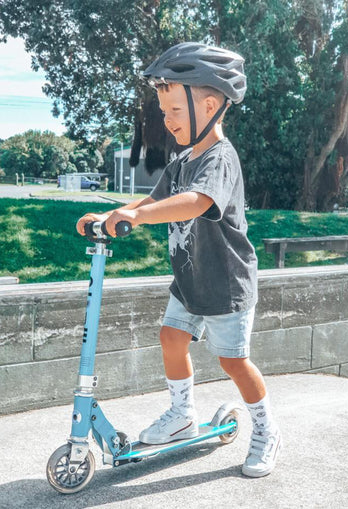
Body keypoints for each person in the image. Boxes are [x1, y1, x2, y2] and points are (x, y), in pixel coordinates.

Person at [76, 42, 281, 477]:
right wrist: (115, 213)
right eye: (164, 112)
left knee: (233, 361)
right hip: (190, 279)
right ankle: (182, 414)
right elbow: (154, 198)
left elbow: (194, 202)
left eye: (174, 111)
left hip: (226, 282)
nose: (167, 122)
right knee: (170, 336)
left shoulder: (219, 159)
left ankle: (265, 428)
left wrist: (139, 216)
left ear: (209, 105)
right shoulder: (181, 160)